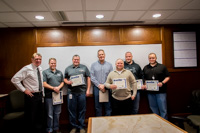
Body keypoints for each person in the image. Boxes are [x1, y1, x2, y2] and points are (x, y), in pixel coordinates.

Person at [11, 53, 44, 133]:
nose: (38, 60)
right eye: (36, 59)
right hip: (31, 96)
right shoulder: (27, 68)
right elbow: (14, 79)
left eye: (39, 59)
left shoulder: (40, 68)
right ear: (32, 59)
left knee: (39, 117)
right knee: (30, 118)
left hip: (40, 95)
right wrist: (24, 90)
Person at [64, 55, 91, 133]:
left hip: (82, 92)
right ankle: (73, 127)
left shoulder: (84, 67)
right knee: (71, 110)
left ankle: (81, 126)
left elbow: (88, 78)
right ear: (72, 60)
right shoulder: (68, 68)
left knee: (82, 110)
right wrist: (67, 82)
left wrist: (88, 90)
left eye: (77, 59)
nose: (76, 60)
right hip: (71, 93)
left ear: (79, 60)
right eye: (75, 59)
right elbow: (64, 79)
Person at [143, 53, 170, 120]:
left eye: (153, 58)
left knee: (163, 109)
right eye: (150, 58)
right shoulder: (145, 68)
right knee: (153, 108)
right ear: (148, 59)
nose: (151, 59)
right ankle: (157, 122)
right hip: (150, 92)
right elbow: (144, 79)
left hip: (161, 92)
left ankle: (164, 124)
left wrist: (162, 83)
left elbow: (168, 77)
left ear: (156, 58)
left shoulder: (162, 67)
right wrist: (145, 84)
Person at [42, 58, 64, 133]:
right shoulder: (45, 72)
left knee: (57, 113)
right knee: (49, 114)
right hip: (49, 96)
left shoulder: (60, 72)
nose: (53, 64)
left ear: (56, 64)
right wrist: (53, 88)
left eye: (54, 63)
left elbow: (62, 82)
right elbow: (44, 84)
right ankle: (49, 129)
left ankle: (56, 128)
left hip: (58, 95)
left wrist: (58, 88)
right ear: (49, 64)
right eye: (51, 63)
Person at [90, 49, 113, 116]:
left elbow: (111, 77)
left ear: (104, 55)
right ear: (97, 56)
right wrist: (99, 85)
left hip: (107, 88)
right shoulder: (93, 65)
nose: (101, 56)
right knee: (98, 107)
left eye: (102, 54)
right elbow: (92, 77)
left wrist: (104, 85)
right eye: (99, 54)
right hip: (97, 88)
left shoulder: (109, 65)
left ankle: (108, 124)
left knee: (108, 107)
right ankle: (99, 124)